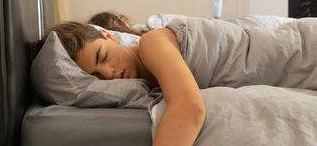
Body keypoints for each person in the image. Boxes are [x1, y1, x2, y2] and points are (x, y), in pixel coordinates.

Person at [39, 20, 205, 146]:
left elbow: (189, 108)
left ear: (109, 36)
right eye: (97, 77)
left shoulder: (152, 43)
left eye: (103, 56)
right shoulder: (150, 86)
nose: (108, 73)